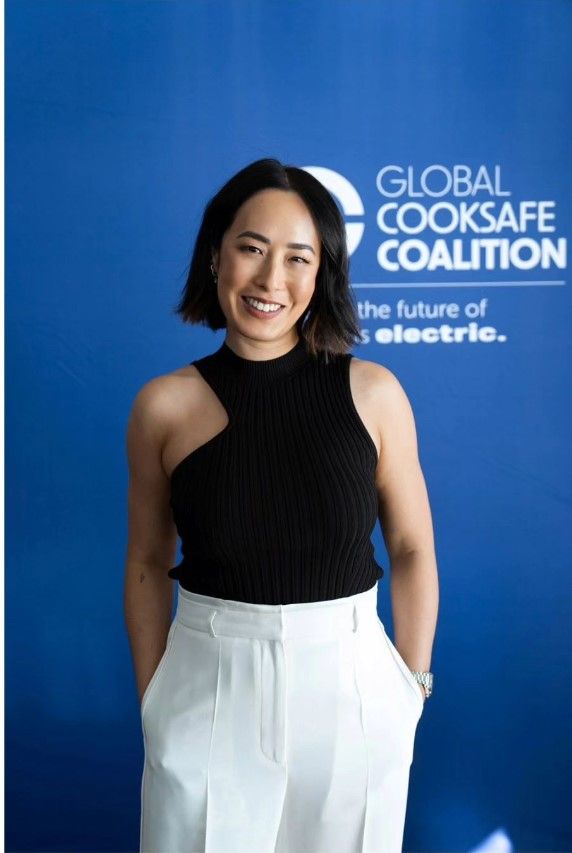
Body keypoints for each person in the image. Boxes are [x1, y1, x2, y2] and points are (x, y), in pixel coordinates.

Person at [124, 158, 439, 853]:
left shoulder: (374, 392)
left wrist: (410, 688)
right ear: (216, 255)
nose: (271, 280)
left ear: (321, 274)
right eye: (252, 248)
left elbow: (412, 546)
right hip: (207, 684)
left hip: (352, 688)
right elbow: (147, 558)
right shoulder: (163, 406)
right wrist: (155, 699)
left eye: (298, 258)